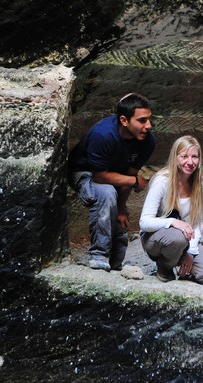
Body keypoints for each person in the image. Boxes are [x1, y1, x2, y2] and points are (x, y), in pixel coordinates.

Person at [68, 93, 156, 272]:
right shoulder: (103, 135)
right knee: (107, 193)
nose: (148, 126)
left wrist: (122, 207)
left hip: (114, 174)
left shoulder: (147, 141)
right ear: (124, 120)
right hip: (85, 173)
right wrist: (133, 181)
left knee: (118, 210)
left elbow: (129, 174)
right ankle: (99, 256)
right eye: (142, 120)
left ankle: (116, 263)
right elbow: (100, 176)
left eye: (149, 119)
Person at [139, 136, 203, 284]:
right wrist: (173, 222)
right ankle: (165, 266)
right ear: (175, 157)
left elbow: (198, 223)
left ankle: (182, 263)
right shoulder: (162, 181)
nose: (190, 162)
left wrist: (190, 252)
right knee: (177, 238)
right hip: (156, 237)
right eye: (184, 156)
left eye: (194, 156)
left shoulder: (201, 183)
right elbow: (144, 222)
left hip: (184, 238)